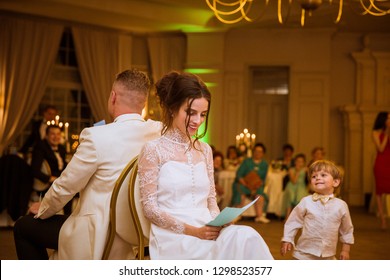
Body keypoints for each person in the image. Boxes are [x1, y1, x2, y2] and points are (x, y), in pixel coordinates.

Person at [13, 69, 161, 260]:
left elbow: (66, 185)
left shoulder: (96, 137)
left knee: (23, 227)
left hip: (98, 233)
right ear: (143, 102)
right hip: (139, 233)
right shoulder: (157, 132)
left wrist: (43, 207)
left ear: (113, 96)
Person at [137, 71, 273, 260]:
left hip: (208, 227)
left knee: (246, 235)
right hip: (175, 237)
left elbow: (210, 200)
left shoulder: (205, 150)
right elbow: (150, 209)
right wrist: (195, 232)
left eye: (203, 114)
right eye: (190, 112)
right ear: (172, 108)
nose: (197, 121)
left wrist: (219, 222)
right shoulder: (153, 150)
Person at [280, 160, 354, 260]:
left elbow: (347, 230)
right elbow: (293, 221)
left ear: (335, 182)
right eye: (314, 176)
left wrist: (345, 250)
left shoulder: (341, 205)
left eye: (323, 175)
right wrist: (287, 239)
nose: (318, 178)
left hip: (328, 256)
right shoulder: (306, 201)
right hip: (303, 254)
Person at [30, 125, 71, 214]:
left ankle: (68, 221)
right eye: (52, 134)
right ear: (47, 135)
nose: (56, 137)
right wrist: (50, 179)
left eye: (58, 134)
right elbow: (34, 170)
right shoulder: (40, 147)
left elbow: (63, 168)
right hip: (44, 184)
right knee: (68, 192)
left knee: (74, 190)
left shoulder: (61, 149)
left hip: (59, 182)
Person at [231, 143, 270, 223]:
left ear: (263, 153)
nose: (257, 153)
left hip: (256, 186)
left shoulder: (265, 164)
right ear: (253, 152)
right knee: (240, 191)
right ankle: (237, 215)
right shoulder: (246, 162)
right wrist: (246, 184)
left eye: (260, 151)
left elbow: (263, 179)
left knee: (260, 195)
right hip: (244, 184)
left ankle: (259, 216)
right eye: (256, 151)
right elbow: (239, 175)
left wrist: (256, 186)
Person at [372, 111, 390, 230]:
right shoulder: (375, 132)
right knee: (380, 192)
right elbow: (381, 148)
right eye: (388, 118)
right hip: (381, 163)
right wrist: (387, 133)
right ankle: (383, 220)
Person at [282, 153, 309, 219]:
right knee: (291, 195)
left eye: (301, 162)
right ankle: (287, 217)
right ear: (295, 162)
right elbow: (294, 181)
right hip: (291, 186)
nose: (299, 163)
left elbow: (309, 180)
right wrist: (297, 171)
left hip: (301, 187)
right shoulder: (291, 170)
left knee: (301, 196)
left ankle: (300, 218)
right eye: (297, 161)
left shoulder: (306, 169)